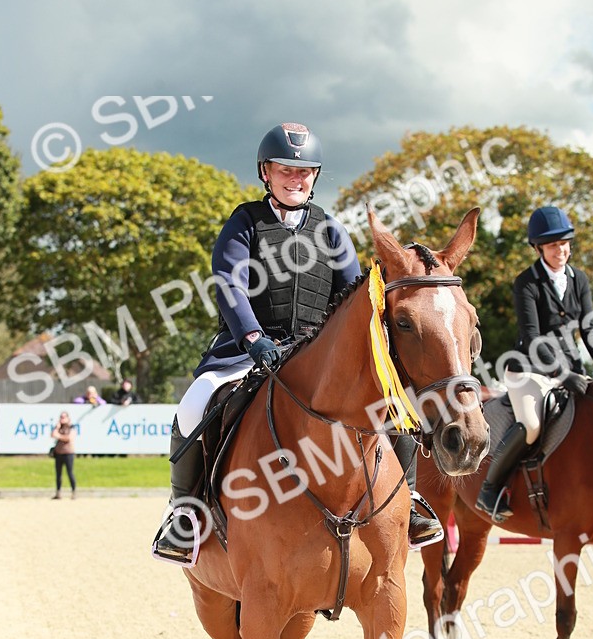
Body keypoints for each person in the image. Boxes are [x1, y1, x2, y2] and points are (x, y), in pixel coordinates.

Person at [153, 121, 443, 564]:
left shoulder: (330, 231)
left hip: (315, 355)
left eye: (304, 171)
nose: (295, 178)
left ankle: (412, 501)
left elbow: (355, 296)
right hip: (249, 350)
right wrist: (253, 338)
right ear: (265, 173)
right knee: (195, 402)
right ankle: (185, 513)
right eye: (285, 169)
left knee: (396, 406)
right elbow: (230, 285)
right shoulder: (244, 221)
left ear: (315, 176)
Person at [476, 205, 593, 522]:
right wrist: (564, 375)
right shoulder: (527, 283)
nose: (561, 251)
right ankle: (490, 489)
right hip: (529, 371)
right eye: (552, 246)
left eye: (564, 243)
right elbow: (533, 336)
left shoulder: (579, 279)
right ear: (538, 249)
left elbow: (589, 329)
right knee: (533, 426)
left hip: (571, 370)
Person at [51, 411, 77, 499]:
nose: (62, 419)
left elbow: (68, 438)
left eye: (64, 417)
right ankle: (58, 493)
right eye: (61, 417)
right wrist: (57, 427)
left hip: (68, 454)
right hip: (59, 454)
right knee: (58, 474)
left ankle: (74, 492)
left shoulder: (71, 428)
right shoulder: (58, 428)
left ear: (68, 418)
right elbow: (52, 435)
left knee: (70, 473)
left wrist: (58, 436)